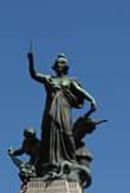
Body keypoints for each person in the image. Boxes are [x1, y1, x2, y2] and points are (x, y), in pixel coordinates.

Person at [27, 50, 97, 178]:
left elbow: (80, 91)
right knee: (49, 135)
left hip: (64, 111)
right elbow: (34, 74)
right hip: (50, 111)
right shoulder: (49, 79)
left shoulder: (69, 81)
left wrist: (91, 99)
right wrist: (31, 60)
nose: (59, 65)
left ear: (65, 67)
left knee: (66, 133)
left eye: (61, 63)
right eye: (58, 63)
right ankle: (50, 163)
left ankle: (70, 160)